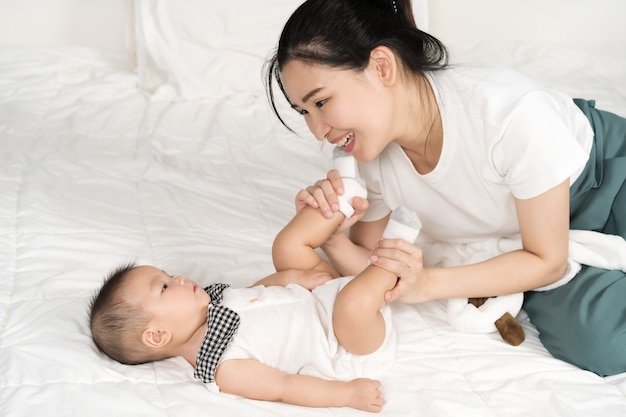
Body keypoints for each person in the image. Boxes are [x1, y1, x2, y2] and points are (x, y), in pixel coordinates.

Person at [265, 0, 626, 376]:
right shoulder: (366, 159)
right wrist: (333, 237)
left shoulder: (506, 113)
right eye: (305, 112)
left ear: (381, 67)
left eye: (321, 102)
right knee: (602, 342)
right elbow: (373, 266)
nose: (319, 131)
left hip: (602, 177)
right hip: (524, 243)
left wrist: (428, 284)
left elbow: (548, 261)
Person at [89, 155, 419, 412]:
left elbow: (260, 291)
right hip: (347, 338)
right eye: (163, 287)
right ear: (158, 335)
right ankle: (395, 253)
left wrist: (294, 277)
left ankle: (346, 193)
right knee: (353, 303)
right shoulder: (223, 366)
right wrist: (346, 394)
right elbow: (284, 386)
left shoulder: (214, 303)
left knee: (285, 248)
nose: (177, 278)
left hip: (319, 292)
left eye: (166, 274)